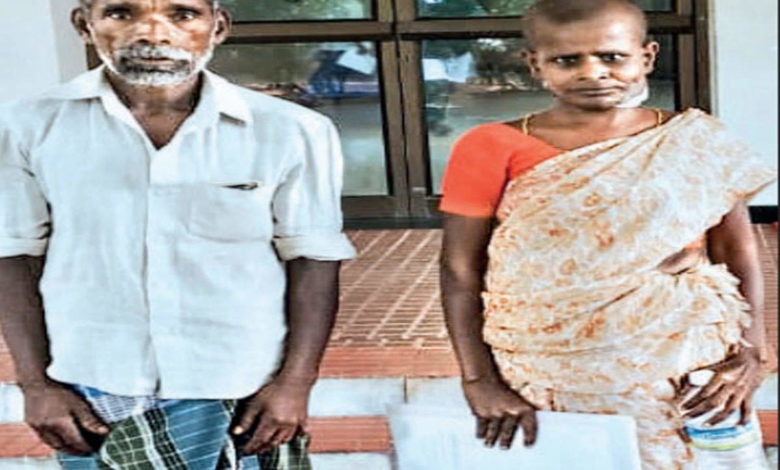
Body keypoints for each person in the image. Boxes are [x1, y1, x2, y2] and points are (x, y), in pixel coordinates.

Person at [0, 0, 355, 469]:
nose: (152, 32)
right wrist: (35, 384)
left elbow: (313, 260)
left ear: (218, 27)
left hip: (244, 389)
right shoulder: (27, 125)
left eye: (182, 14)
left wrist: (294, 384)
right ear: (84, 25)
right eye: (121, 13)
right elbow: (12, 255)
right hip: (95, 389)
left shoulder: (292, 131)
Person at [438, 1, 776, 468]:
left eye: (611, 56)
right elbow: (459, 268)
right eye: (566, 60)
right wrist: (478, 380)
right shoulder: (488, 146)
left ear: (647, 56)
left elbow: (735, 249)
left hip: (688, 354)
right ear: (534, 63)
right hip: (549, 361)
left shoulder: (694, 138)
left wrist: (755, 351)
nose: (592, 72)